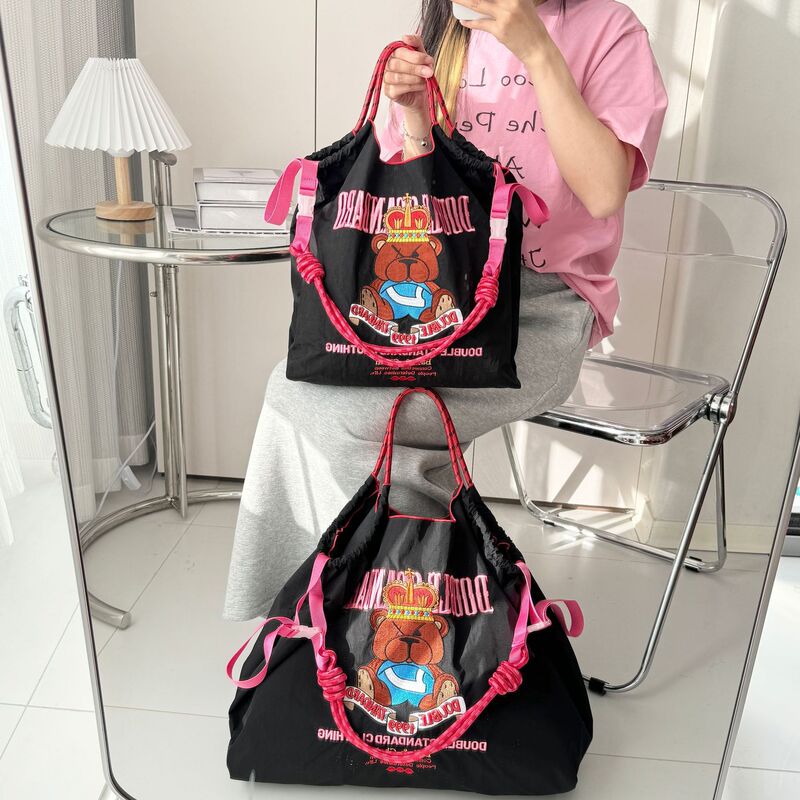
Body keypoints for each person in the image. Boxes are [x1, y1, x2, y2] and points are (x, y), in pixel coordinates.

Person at [224, 0, 668, 621]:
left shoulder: (610, 29)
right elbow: (426, 199)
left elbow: (602, 192)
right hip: (444, 294)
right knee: (297, 391)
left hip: (544, 307)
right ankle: (329, 623)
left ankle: (356, 629)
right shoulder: (452, 28)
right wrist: (413, 117)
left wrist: (537, 49)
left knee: (360, 418)